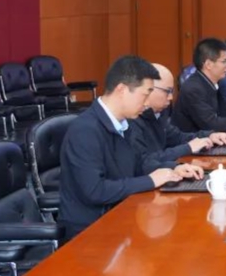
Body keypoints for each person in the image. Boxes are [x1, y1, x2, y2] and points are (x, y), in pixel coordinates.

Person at [59, 56, 204, 241]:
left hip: (120, 216)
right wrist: (151, 180)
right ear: (122, 90)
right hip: (90, 232)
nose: (147, 103)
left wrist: (173, 169)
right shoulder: (85, 130)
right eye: (145, 94)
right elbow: (95, 191)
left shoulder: (123, 124)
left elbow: (139, 162)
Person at [131, 64, 226, 163]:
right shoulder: (132, 119)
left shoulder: (159, 113)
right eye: (167, 91)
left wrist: (210, 136)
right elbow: (145, 161)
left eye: (172, 92)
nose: (171, 97)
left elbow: (178, 137)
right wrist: (188, 148)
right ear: (149, 89)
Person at [172, 38, 226, 133]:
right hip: (192, 140)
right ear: (208, 64)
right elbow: (211, 124)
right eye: (224, 61)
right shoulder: (193, 89)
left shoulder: (211, 82)